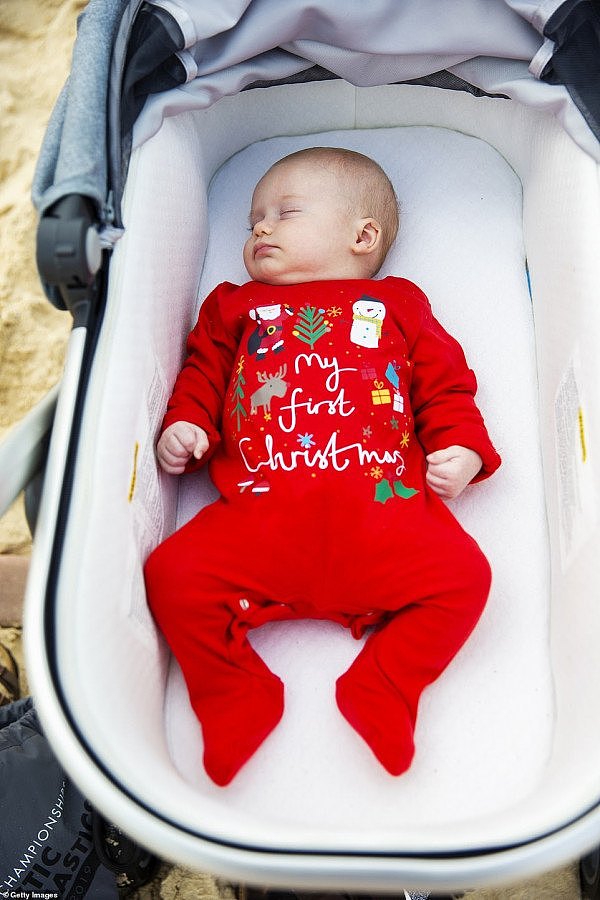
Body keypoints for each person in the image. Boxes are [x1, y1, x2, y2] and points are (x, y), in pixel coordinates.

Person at [144, 147, 501, 787]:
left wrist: (464, 449)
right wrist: (187, 423)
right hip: (258, 521)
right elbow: (201, 371)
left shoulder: (397, 305)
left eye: (285, 213)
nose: (259, 228)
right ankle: (233, 692)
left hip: (385, 519)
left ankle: (386, 683)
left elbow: (447, 387)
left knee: (466, 578)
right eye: (253, 218)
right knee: (171, 576)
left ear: (362, 237)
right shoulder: (233, 306)